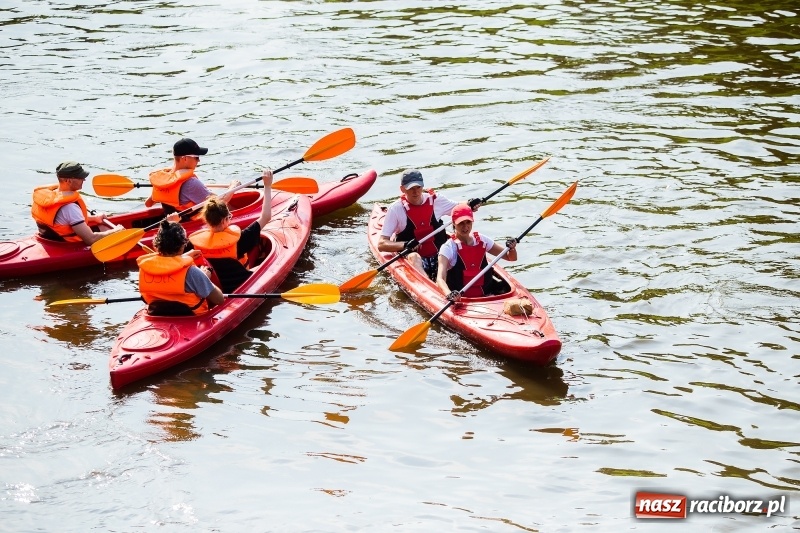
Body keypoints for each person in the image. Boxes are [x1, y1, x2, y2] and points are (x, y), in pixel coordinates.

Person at [378, 169, 480, 280]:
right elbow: (382, 244)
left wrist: (471, 204)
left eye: (418, 187)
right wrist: (404, 245)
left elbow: (459, 207)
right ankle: (428, 285)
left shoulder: (436, 200)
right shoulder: (396, 209)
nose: (416, 192)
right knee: (414, 256)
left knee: (464, 247)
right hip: (415, 260)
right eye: (411, 188)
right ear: (402, 189)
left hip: (440, 256)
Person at [187, 169, 273, 293]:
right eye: (229, 217)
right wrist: (267, 186)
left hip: (214, 289)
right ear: (223, 221)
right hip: (239, 286)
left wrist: (172, 222)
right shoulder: (239, 240)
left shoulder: (194, 244)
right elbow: (266, 217)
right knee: (263, 266)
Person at [137, 220, 225, 316]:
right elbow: (219, 299)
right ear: (182, 246)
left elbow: (168, 266)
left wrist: (183, 257)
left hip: (156, 314)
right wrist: (205, 277)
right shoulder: (192, 273)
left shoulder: (145, 269)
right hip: (191, 318)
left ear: (157, 245)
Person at [436, 204, 517, 303]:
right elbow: (440, 279)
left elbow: (511, 258)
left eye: (468, 222)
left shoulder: (482, 240)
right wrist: (449, 294)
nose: (465, 227)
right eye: (461, 223)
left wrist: (512, 249)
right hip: (461, 301)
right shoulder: (448, 248)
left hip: (488, 297)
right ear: (453, 223)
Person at [31, 161, 123, 245]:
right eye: (80, 177)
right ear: (68, 181)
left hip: (49, 238)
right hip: (66, 245)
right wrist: (117, 231)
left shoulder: (49, 196)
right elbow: (91, 239)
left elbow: (65, 220)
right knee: (107, 229)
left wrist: (94, 218)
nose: (84, 180)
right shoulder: (70, 208)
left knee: (102, 226)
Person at [145, 137, 238, 217]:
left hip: (174, 223)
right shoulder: (191, 183)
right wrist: (233, 186)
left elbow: (148, 204)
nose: (199, 160)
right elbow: (220, 203)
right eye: (196, 157)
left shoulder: (164, 179)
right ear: (184, 158)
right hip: (193, 224)